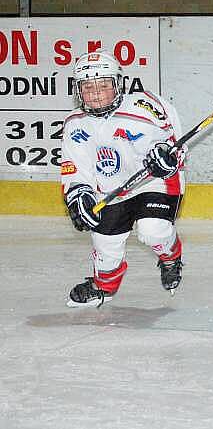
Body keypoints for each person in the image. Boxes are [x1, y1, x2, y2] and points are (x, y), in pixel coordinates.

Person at [60, 50, 185, 307]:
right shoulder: (74, 124)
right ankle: (103, 286)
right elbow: (75, 168)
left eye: (103, 85)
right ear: (77, 90)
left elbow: (176, 146)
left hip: (153, 181)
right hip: (109, 190)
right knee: (106, 247)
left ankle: (170, 258)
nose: (95, 93)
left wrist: (167, 157)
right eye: (87, 86)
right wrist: (79, 196)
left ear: (118, 84)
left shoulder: (146, 106)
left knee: (153, 230)